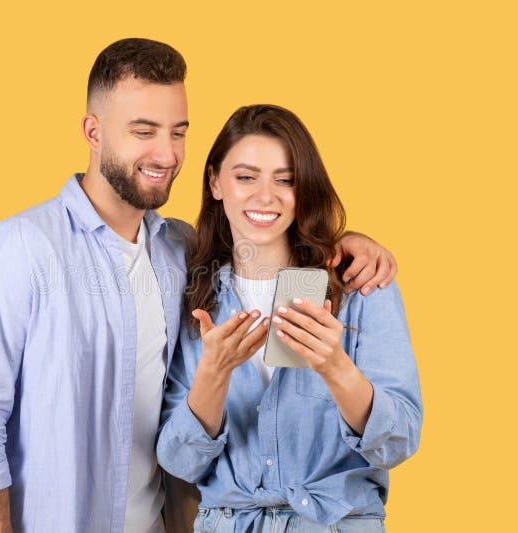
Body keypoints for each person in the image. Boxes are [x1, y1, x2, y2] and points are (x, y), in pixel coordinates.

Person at [0, 39, 398, 533]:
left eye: (178, 132)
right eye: (144, 131)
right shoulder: (20, 247)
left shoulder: (181, 250)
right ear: (93, 132)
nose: (166, 153)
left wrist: (343, 242)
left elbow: (263, 234)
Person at [157, 104, 422, 532]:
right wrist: (213, 375)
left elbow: (398, 441)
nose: (266, 197)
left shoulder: (360, 285)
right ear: (215, 182)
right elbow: (180, 462)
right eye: (246, 177)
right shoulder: (192, 294)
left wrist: (335, 368)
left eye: (286, 180)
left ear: (305, 190)